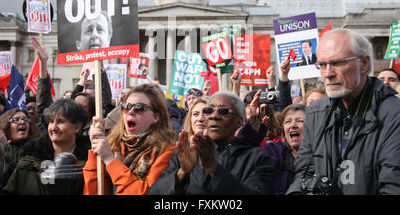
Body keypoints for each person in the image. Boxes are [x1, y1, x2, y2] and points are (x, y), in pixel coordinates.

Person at [287, 28, 400, 195]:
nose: (328, 73)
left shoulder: (399, 118)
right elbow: (304, 173)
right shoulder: (316, 112)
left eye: (337, 63)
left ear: (364, 63)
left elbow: (399, 189)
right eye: (322, 65)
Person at [148, 91, 277, 195]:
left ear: (239, 122)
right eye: (209, 110)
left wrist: (213, 168)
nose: (214, 116)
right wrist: (182, 173)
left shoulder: (258, 158)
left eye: (223, 111)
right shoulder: (186, 153)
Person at [83, 83, 176, 195]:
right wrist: (95, 149)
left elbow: (145, 192)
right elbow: (92, 190)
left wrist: (109, 159)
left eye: (139, 108)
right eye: (126, 106)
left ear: (155, 117)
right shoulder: (111, 144)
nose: (131, 112)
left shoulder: (166, 151)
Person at [3, 99, 90, 195]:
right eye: (51, 122)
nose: (53, 128)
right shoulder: (29, 158)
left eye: (61, 122)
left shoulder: (91, 162)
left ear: (77, 127)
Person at [263, 104, 306, 194]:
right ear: (283, 130)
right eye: (288, 122)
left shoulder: (322, 155)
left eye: (300, 121)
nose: (293, 125)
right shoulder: (273, 151)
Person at [0, 108, 42, 187]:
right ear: (5, 125)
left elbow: (27, 172)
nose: (22, 122)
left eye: (25, 119)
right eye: (16, 119)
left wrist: (6, 147)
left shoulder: (39, 149)